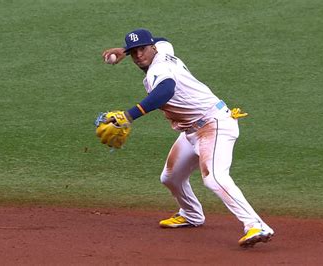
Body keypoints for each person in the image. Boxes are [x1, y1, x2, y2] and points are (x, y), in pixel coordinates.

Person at [102, 28, 274, 248]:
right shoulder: (163, 50)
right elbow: (164, 40)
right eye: (133, 52)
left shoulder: (159, 70)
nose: (138, 56)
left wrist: (129, 115)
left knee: (214, 177)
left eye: (142, 49)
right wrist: (125, 51)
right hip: (192, 131)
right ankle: (191, 215)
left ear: (151, 47)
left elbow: (165, 91)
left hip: (214, 126)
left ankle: (256, 225)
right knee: (170, 178)